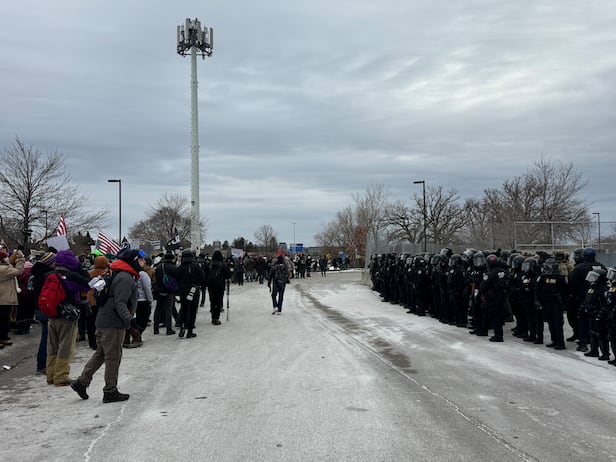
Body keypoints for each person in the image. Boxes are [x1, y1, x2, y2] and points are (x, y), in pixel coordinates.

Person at [71, 248, 144, 403]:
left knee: (101, 353)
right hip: (113, 323)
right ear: (133, 261)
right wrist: (130, 322)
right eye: (141, 260)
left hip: (104, 319)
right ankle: (110, 390)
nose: (143, 263)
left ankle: (82, 382)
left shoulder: (117, 273)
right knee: (113, 357)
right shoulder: (125, 278)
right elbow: (120, 303)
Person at [46, 249, 90, 386]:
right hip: (67, 315)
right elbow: (87, 284)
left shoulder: (51, 275)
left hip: (51, 314)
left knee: (52, 346)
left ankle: (50, 375)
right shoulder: (72, 276)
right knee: (65, 346)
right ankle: (61, 376)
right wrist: (81, 269)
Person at [30, 251, 57, 373]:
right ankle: (42, 364)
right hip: (45, 307)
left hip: (39, 307)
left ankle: (44, 364)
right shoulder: (47, 275)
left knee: (47, 336)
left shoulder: (37, 274)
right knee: (47, 338)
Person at [534, 258, 568, 350]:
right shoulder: (542, 277)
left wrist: (563, 301)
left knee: (557, 322)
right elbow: (537, 289)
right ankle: (554, 340)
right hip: (546, 302)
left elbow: (565, 290)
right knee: (550, 322)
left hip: (556, 303)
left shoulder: (559, 277)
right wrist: (537, 300)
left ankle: (560, 343)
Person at [176, 249, 205, 338]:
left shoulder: (179, 268)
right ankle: (190, 331)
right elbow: (202, 276)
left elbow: (176, 279)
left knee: (184, 310)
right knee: (192, 311)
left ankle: (182, 326)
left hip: (183, 292)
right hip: (193, 291)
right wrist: (197, 284)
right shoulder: (195, 266)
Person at [0, 249, 25, 348]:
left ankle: (3, 337)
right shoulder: (3, 269)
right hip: (4, 298)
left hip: (3, 296)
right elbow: (19, 271)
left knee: (3, 319)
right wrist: (21, 258)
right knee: (3, 319)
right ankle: (2, 338)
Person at [153, 252, 179, 335]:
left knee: (158, 309)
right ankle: (169, 329)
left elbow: (156, 278)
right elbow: (177, 278)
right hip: (169, 291)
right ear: (172, 258)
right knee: (168, 310)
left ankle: (156, 329)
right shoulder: (173, 267)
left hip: (159, 290)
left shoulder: (159, 267)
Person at [206, 251, 231, 325]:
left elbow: (204, 273)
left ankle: (213, 317)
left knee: (212, 301)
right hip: (220, 286)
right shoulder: (223, 265)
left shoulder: (209, 265)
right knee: (218, 301)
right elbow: (228, 275)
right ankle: (216, 318)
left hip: (211, 286)